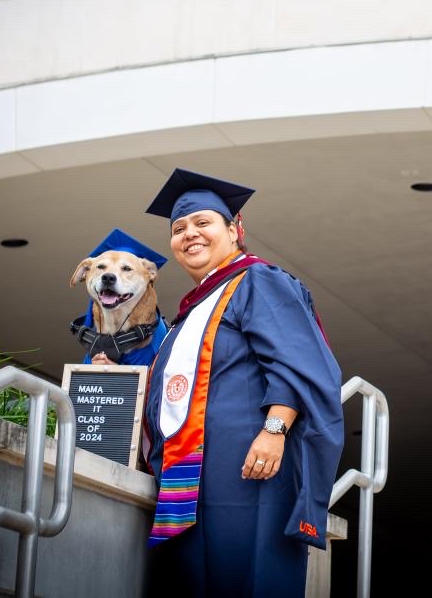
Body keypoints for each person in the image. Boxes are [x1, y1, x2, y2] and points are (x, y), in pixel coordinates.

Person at [140, 168, 344, 597]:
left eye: (203, 223)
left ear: (235, 230)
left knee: (248, 577)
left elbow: (296, 360)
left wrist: (274, 430)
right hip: (190, 476)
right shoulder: (191, 312)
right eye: (179, 229)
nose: (189, 234)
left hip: (251, 471)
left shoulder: (257, 281)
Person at [69, 228, 170, 367]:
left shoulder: (160, 344)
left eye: (127, 269)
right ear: (85, 272)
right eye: (101, 267)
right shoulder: (93, 347)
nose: (109, 275)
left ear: (150, 275)